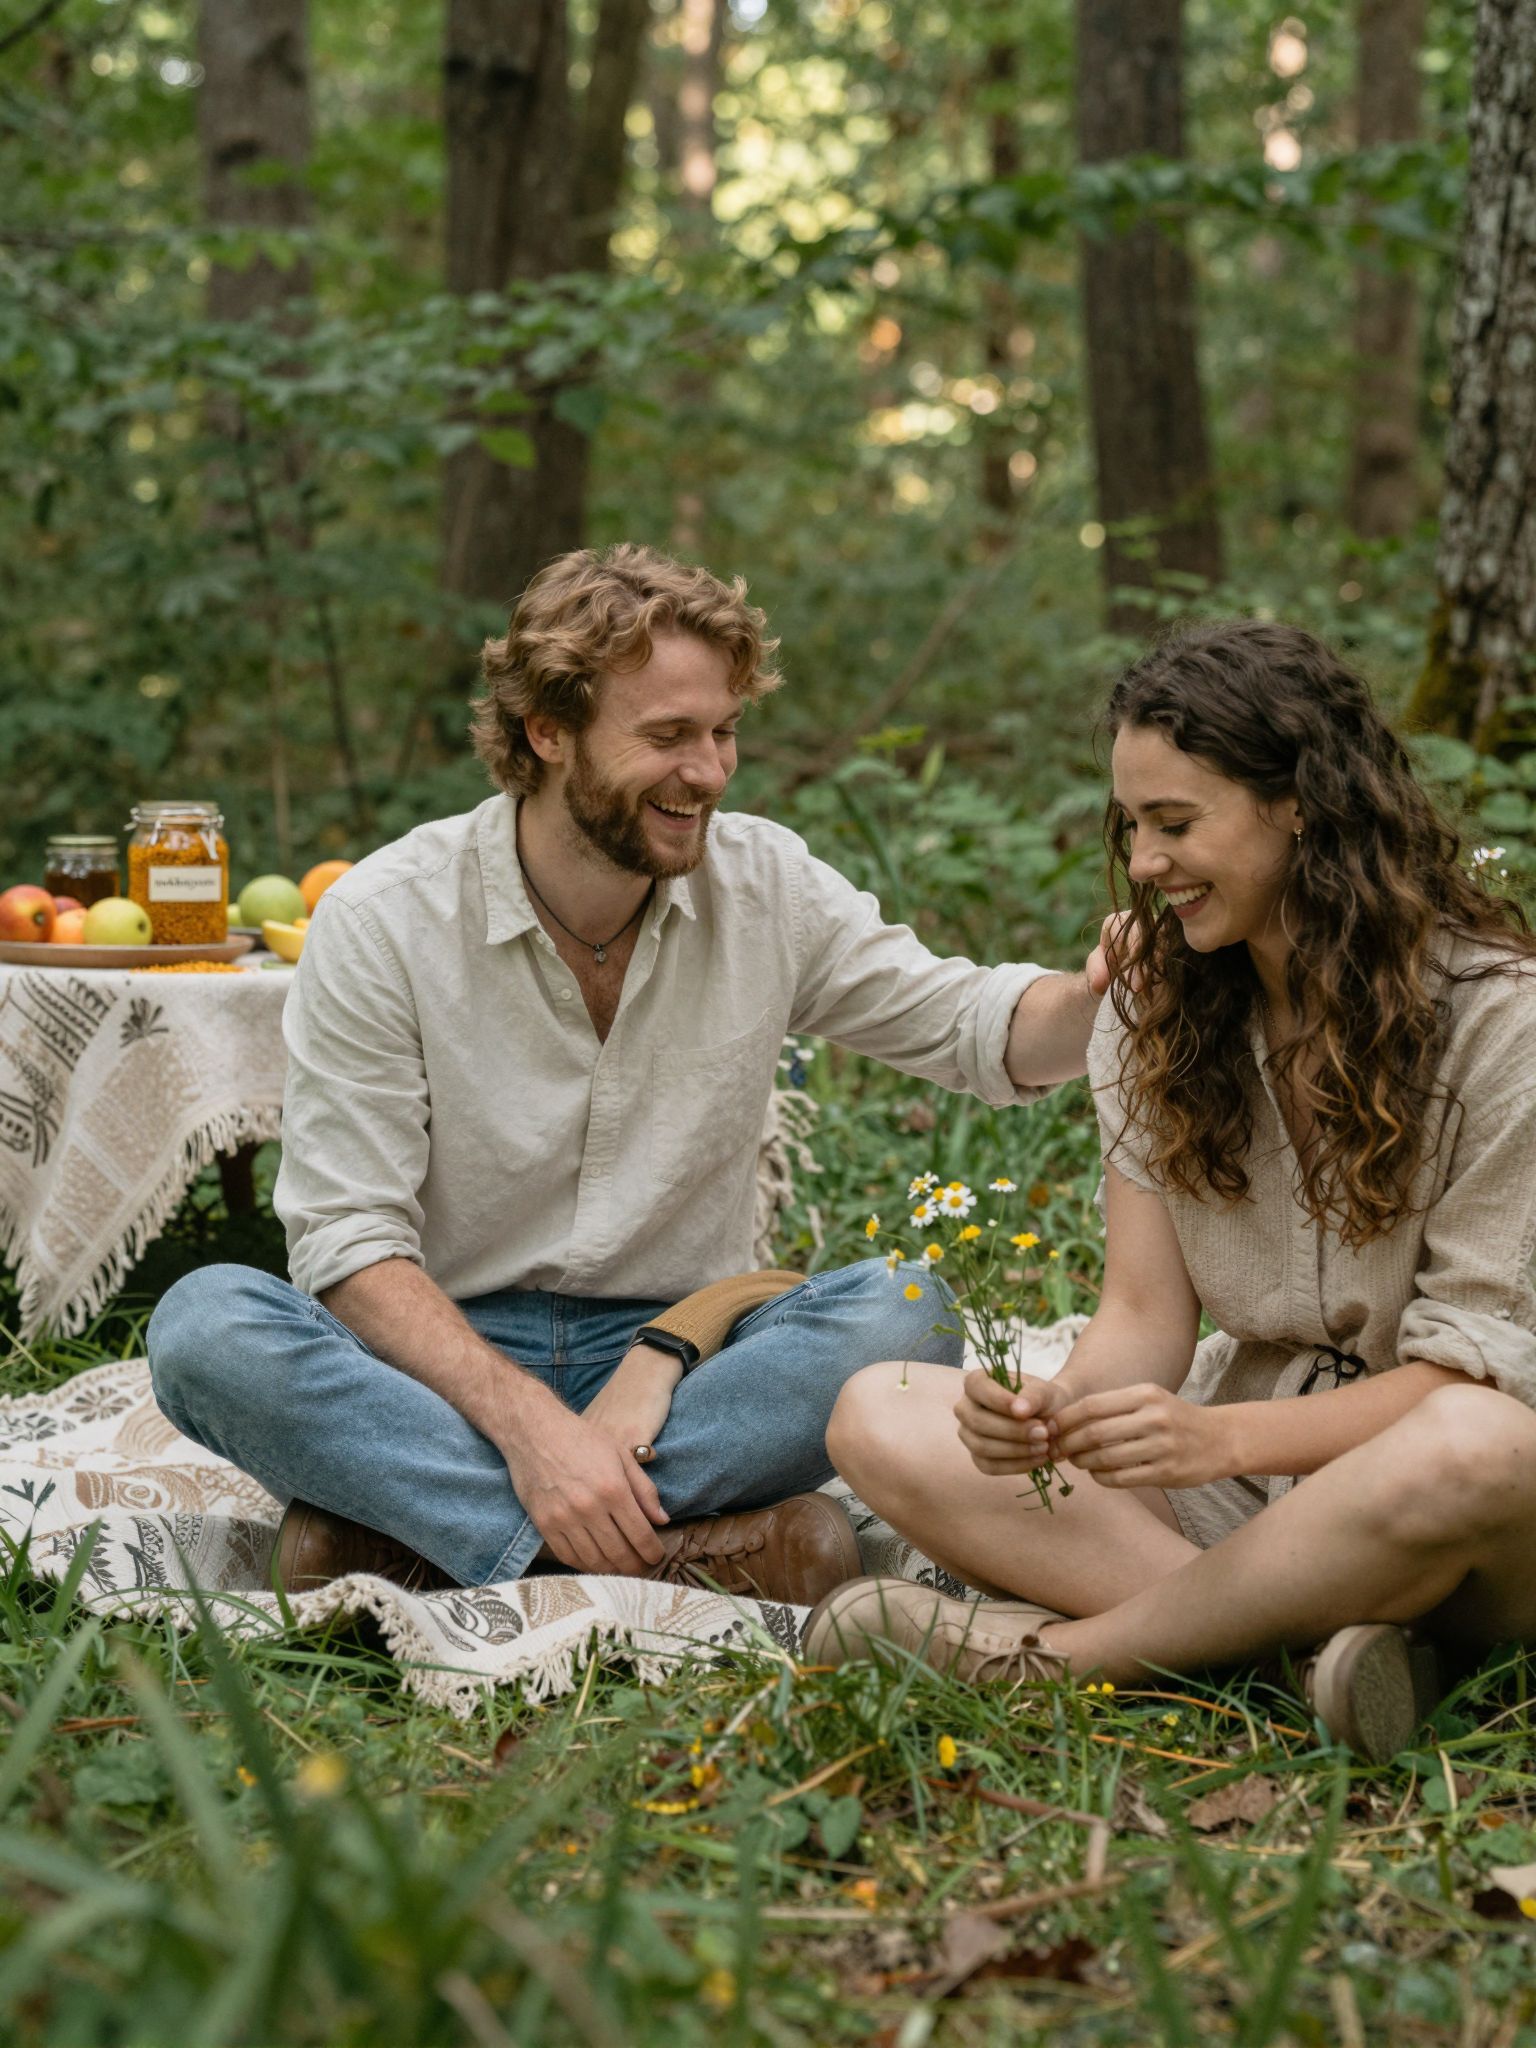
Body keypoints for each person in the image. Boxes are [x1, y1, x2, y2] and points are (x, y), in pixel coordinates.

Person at [148, 543, 1112, 1606]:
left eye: (724, 731)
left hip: (686, 1358)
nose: (708, 771)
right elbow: (350, 1243)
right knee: (207, 1328)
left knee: (909, 1311)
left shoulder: (767, 886)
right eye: (667, 736)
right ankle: (677, 1549)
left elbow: (974, 1026)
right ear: (548, 730)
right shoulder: (386, 919)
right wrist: (536, 1434)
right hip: (445, 1360)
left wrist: (1105, 991)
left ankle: (419, 1536)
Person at [810, 619, 1536, 1760]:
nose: (1144, 862)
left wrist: (1219, 1438)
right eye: (1133, 826)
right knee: (879, 1411)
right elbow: (1145, 1317)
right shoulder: (1158, 1011)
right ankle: (1310, 1664)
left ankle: (1048, 1658)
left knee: (1481, 1441)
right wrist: (1053, 1416)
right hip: (1240, 1495)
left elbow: (1465, 1372)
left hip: (1440, 1512)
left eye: (1177, 822)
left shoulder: (1500, 1021)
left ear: (1300, 802)